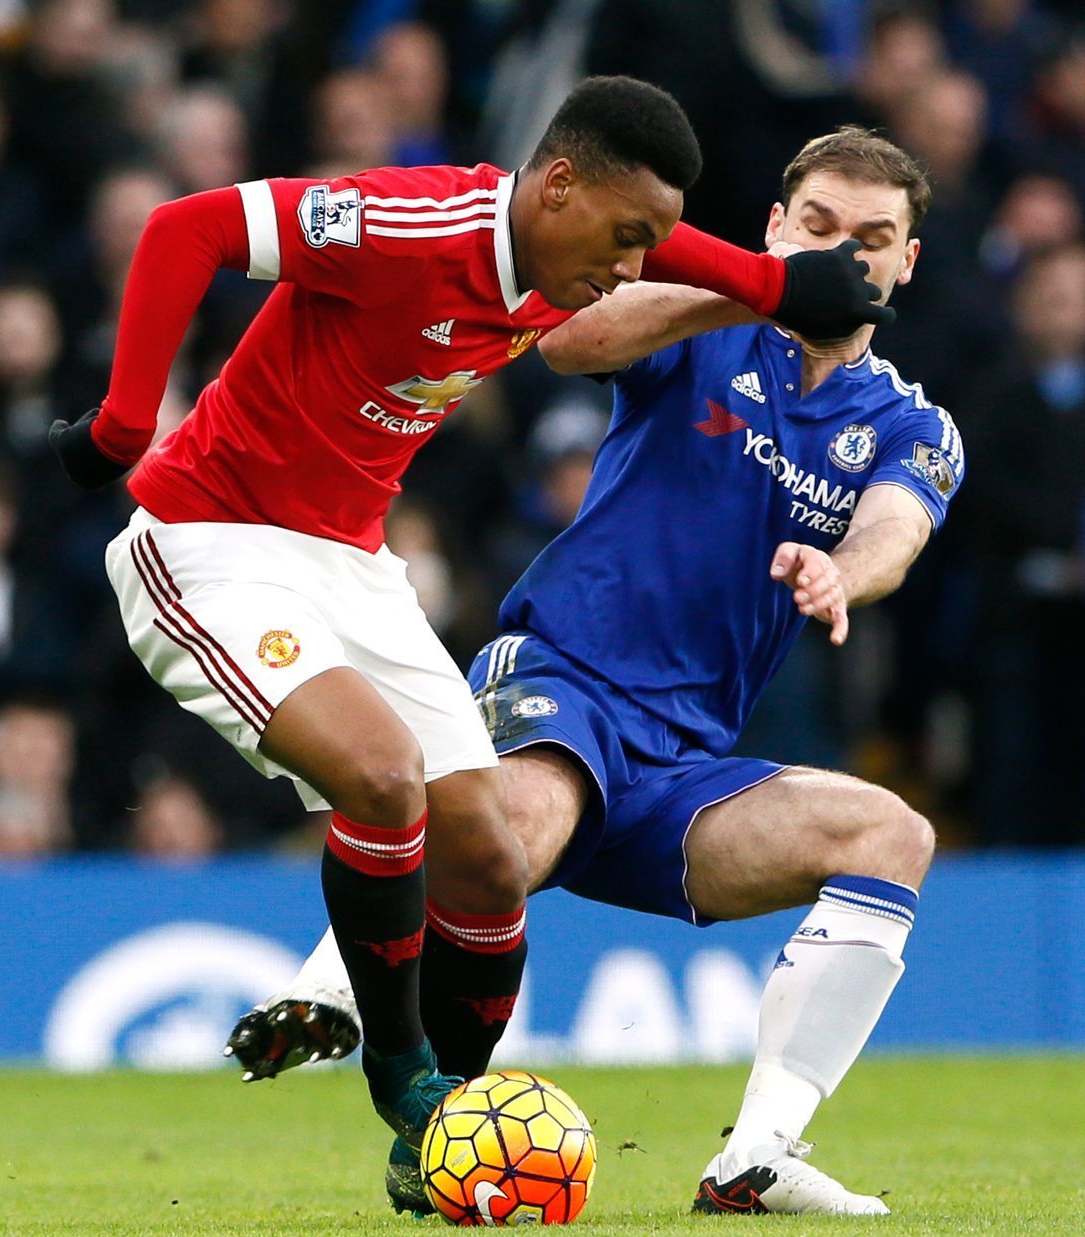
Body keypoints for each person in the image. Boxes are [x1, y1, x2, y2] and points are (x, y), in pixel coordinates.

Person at [46, 76, 895, 1155]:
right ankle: (404, 1080)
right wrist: (125, 425)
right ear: (556, 188)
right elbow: (187, 227)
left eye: (652, 242)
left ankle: (438, 1147)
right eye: (626, 237)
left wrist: (782, 283)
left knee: (489, 856)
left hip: (353, 561)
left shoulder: (578, 254)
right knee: (384, 776)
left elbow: (706, 259)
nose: (633, 269)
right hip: (213, 542)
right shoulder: (409, 224)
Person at [235, 128, 956, 1217]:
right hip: (562, 676)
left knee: (890, 834)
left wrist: (844, 574)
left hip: (679, 762)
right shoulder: (705, 328)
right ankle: (334, 986)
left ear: (908, 260)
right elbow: (573, 341)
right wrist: (757, 294)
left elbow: (898, 525)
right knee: (525, 813)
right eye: (819, 229)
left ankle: (755, 1159)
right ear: (775, 228)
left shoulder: (910, 421)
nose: (845, 255)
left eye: (873, 240)